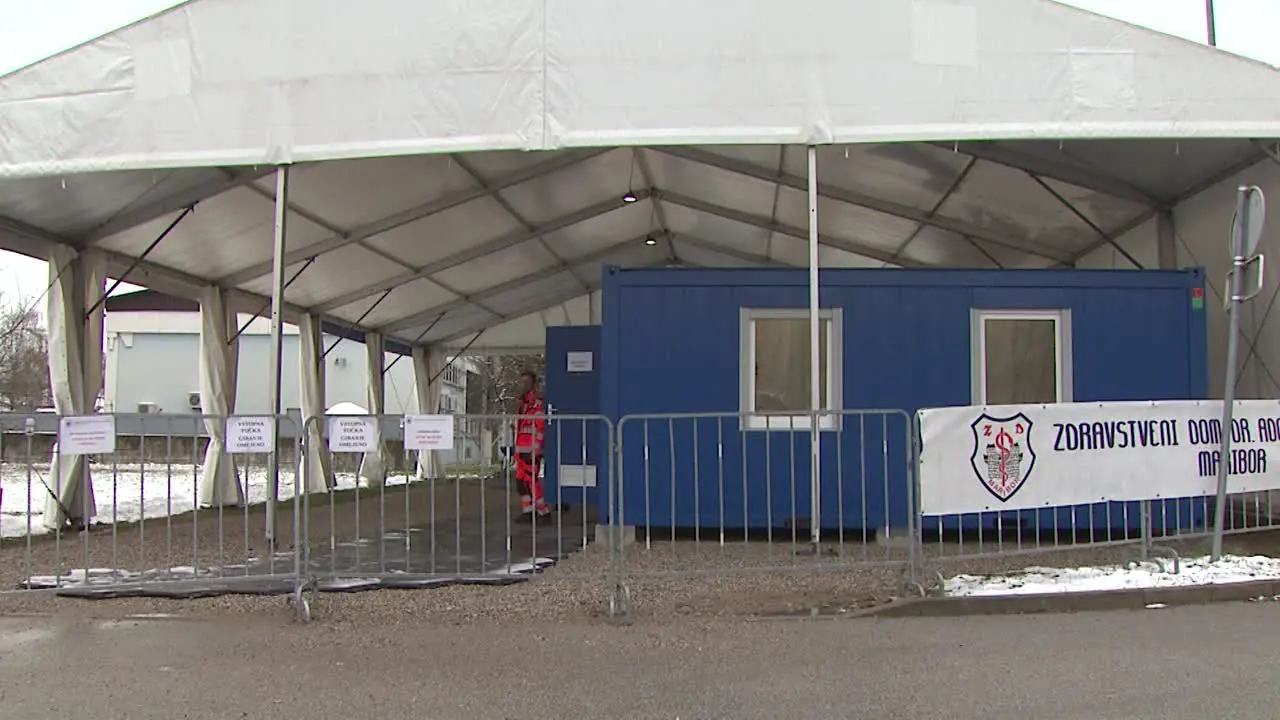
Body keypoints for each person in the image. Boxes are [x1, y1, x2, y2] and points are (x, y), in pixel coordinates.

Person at [513, 370, 551, 520]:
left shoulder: (537, 404)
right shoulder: (523, 403)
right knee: (520, 482)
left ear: (533, 384)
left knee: (531, 482)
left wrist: (535, 450)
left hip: (531, 449)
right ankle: (528, 511)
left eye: (526, 382)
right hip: (521, 449)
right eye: (521, 382)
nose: (523, 385)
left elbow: (540, 429)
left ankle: (544, 512)